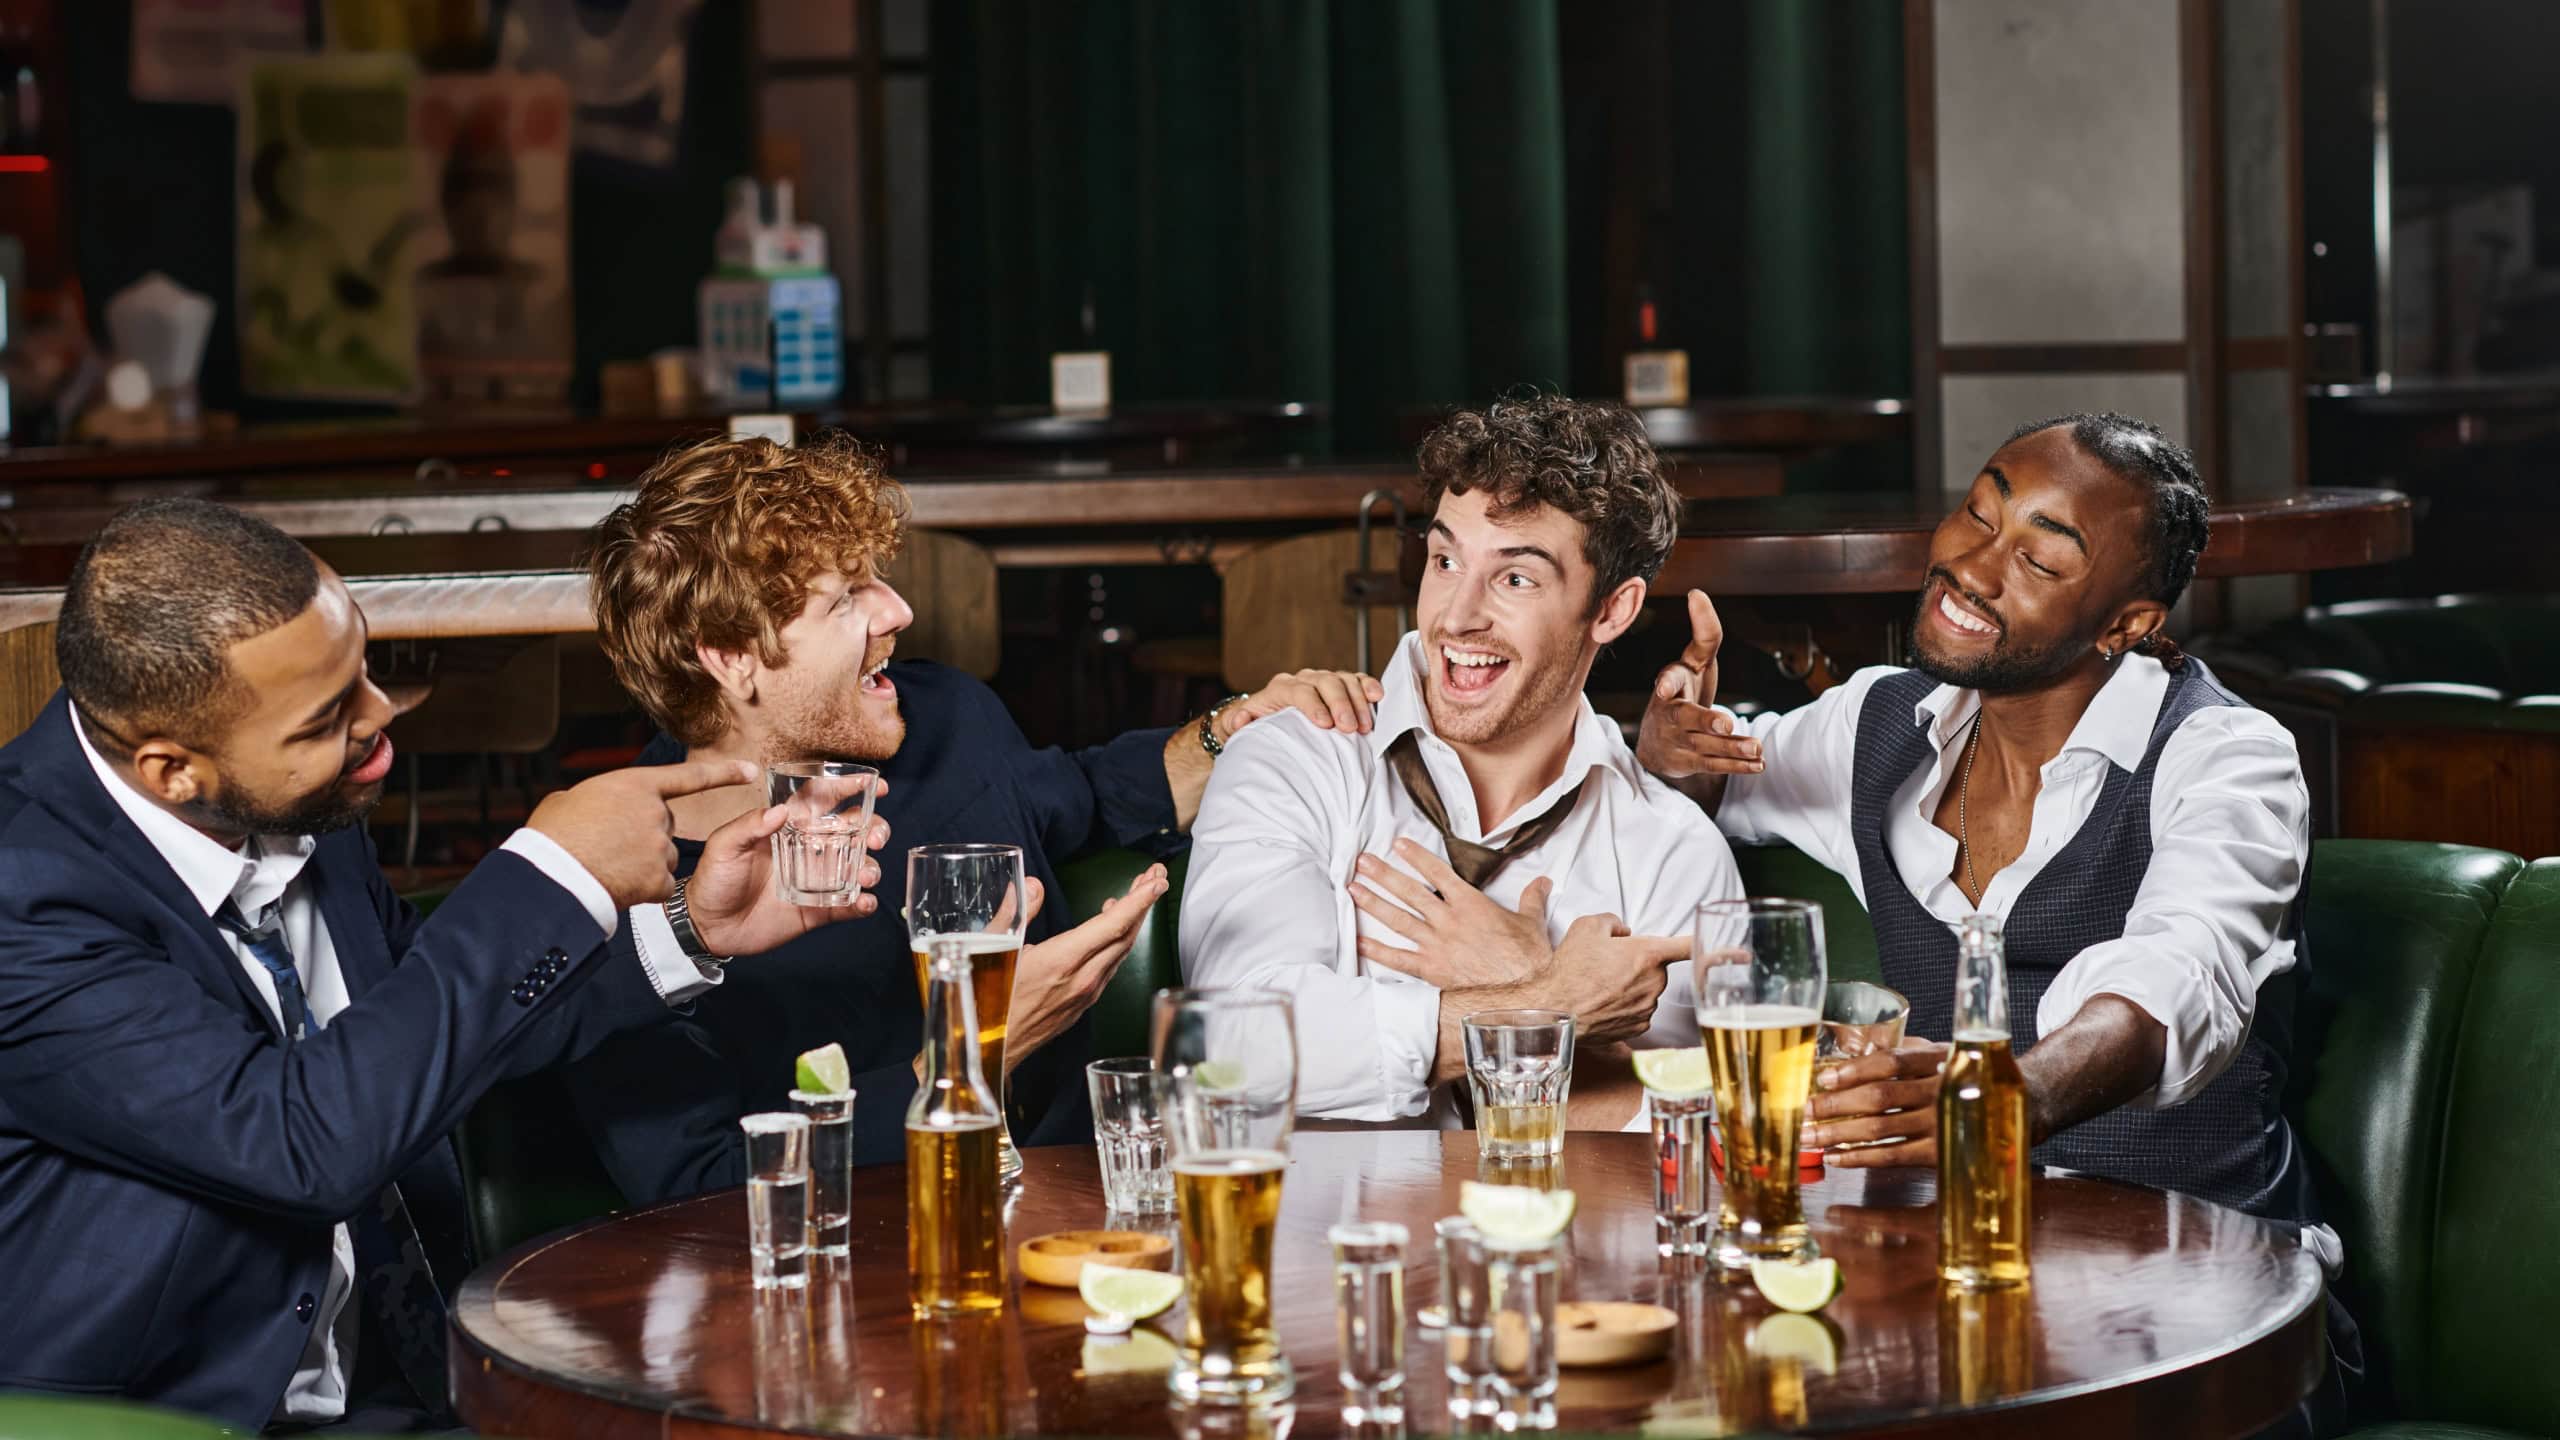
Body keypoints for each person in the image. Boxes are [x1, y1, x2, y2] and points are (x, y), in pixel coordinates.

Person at [0, 500, 863, 1431]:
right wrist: (553, 873)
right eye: (327, 717)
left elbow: (429, 1031)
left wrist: (688, 927)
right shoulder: (23, 894)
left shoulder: (291, 797)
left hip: (402, 1386)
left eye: (363, 671)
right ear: (173, 771)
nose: (380, 720)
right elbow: (299, 1143)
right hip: (169, 1418)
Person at [1636, 412, 2359, 1433]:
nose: (1973, 568)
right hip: (1962, 1312)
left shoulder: (2228, 758)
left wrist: (1997, 1103)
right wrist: (1672, 749)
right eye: (1979, 514)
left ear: (2126, 624)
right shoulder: (1878, 723)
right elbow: (1707, 784)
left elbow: (2175, 978)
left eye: (2039, 559)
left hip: (2213, 1318)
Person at [566, 433, 1381, 1199]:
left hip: (1080, 1211)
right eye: (846, 599)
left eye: (877, 576)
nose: (898, 611)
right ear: (731, 656)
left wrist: (1229, 728)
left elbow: (1084, 795)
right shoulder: (624, 904)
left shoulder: (941, 717)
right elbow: (699, 1186)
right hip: (859, 1256)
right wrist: (975, 1053)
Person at [1180, 395, 1740, 1128]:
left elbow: (1703, 1129)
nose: (1456, 616)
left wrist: (1517, 982)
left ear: (1611, 610)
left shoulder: (1672, 850)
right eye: (1445, 561)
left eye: (1515, 578)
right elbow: (1231, 1047)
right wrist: (1546, 1003)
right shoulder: (1292, 760)